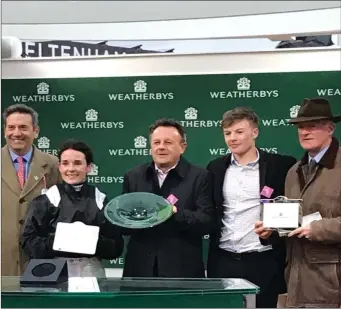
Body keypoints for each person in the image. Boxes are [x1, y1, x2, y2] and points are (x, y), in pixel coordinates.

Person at [206, 107, 296, 308]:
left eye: (239, 132)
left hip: (263, 259)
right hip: (223, 259)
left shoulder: (280, 165)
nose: (232, 138)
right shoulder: (215, 168)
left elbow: (291, 210)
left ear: (255, 132)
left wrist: (274, 230)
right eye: (227, 133)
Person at [255, 98, 341, 308]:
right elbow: (293, 221)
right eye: (301, 127)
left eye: (312, 126)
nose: (305, 132)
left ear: (330, 128)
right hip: (294, 280)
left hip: (332, 282)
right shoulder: (293, 172)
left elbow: (312, 225)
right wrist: (272, 230)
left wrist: (318, 229)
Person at [121, 118, 215, 278]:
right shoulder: (133, 176)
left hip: (183, 272)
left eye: (168, 142)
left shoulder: (200, 177)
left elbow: (207, 222)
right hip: (139, 270)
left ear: (182, 147)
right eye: (156, 142)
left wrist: (174, 213)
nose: (161, 147)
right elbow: (125, 225)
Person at [20, 139, 124, 277]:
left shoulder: (101, 200)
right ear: (59, 167)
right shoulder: (47, 199)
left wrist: (93, 241)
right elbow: (28, 240)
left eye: (77, 163)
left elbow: (116, 246)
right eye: (65, 163)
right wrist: (59, 241)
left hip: (91, 273)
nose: (71, 169)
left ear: (89, 167)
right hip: (52, 273)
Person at [1, 104, 61, 276]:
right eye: (11, 127)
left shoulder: (53, 165)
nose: (17, 133)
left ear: (36, 131)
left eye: (23, 127)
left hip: (40, 263)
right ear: (5, 130)